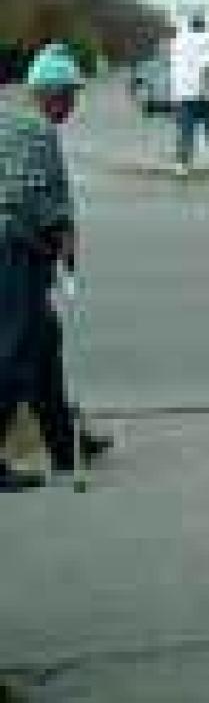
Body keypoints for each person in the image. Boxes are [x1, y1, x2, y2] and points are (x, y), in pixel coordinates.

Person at [0, 45, 82, 492]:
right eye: (69, 96)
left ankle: (64, 446)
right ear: (50, 93)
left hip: (19, 247)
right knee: (14, 353)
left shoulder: (11, 119)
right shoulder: (36, 130)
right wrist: (61, 231)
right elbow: (27, 194)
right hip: (14, 249)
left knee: (44, 342)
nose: (72, 106)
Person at [168, 14, 209, 177]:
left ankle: (182, 164)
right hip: (201, 92)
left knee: (186, 129)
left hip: (183, 93)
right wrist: (207, 91)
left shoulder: (178, 42)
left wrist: (174, 95)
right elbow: (207, 67)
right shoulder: (207, 40)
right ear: (202, 26)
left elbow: (174, 68)